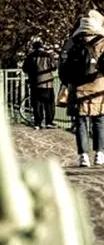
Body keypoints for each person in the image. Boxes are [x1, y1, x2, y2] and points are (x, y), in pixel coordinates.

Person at [60, 10, 104, 167]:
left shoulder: (72, 42)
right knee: (99, 121)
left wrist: (67, 83)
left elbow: (63, 67)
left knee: (81, 123)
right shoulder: (102, 42)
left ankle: (83, 156)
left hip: (77, 88)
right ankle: (99, 154)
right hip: (99, 87)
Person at [22, 36, 58, 129]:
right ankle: (49, 122)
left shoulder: (30, 56)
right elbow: (54, 67)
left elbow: (24, 69)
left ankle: (37, 123)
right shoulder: (48, 55)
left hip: (35, 83)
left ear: (34, 47)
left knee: (37, 104)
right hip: (47, 83)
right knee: (49, 104)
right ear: (42, 47)